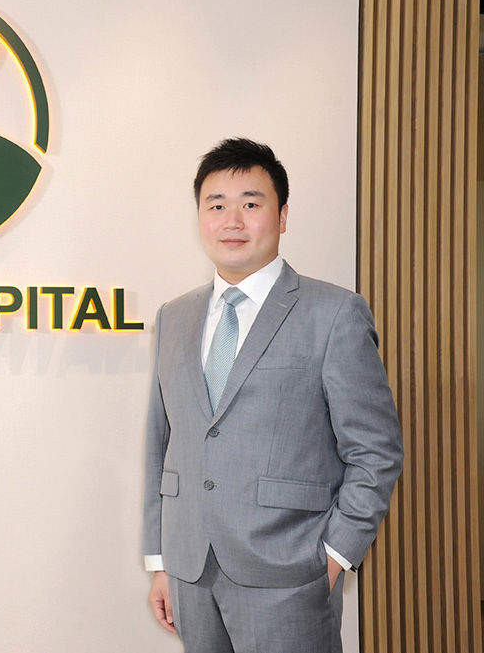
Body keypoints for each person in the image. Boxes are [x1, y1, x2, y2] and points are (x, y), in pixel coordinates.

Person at [141, 138, 403, 653]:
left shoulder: (334, 314)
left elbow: (376, 451)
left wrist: (334, 557)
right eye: (216, 205)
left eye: (250, 203)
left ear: (282, 216)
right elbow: (162, 443)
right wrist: (161, 561)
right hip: (190, 572)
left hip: (291, 575)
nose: (232, 221)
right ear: (199, 217)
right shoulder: (175, 316)